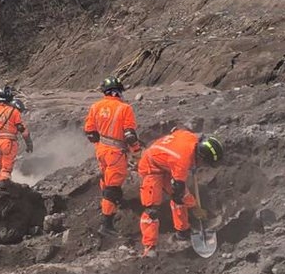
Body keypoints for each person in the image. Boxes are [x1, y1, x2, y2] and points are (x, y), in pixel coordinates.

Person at [137, 129, 224, 258]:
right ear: (200, 157)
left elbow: (177, 131)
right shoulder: (181, 161)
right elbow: (180, 191)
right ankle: (149, 247)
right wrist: (194, 207)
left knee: (178, 200)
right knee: (152, 210)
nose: (203, 166)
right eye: (204, 163)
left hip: (166, 163)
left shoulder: (192, 139)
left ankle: (182, 232)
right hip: (151, 166)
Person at [83, 76, 139, 236]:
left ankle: (110, 202)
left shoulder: (95, 107)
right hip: (116, 152)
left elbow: (90, 133)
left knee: (106, 178)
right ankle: (106, 223)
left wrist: (102, 145)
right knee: (113, 188)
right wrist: (137, 151)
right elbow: (130, 135)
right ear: (117, 92)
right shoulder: (125, 108)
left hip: (101, 150)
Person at [0, 86, 33, 184]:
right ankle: (3, 188)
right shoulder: (14, 112)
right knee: (6, 170)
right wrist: (29, 143)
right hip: (8, 143)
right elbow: (22, 129)